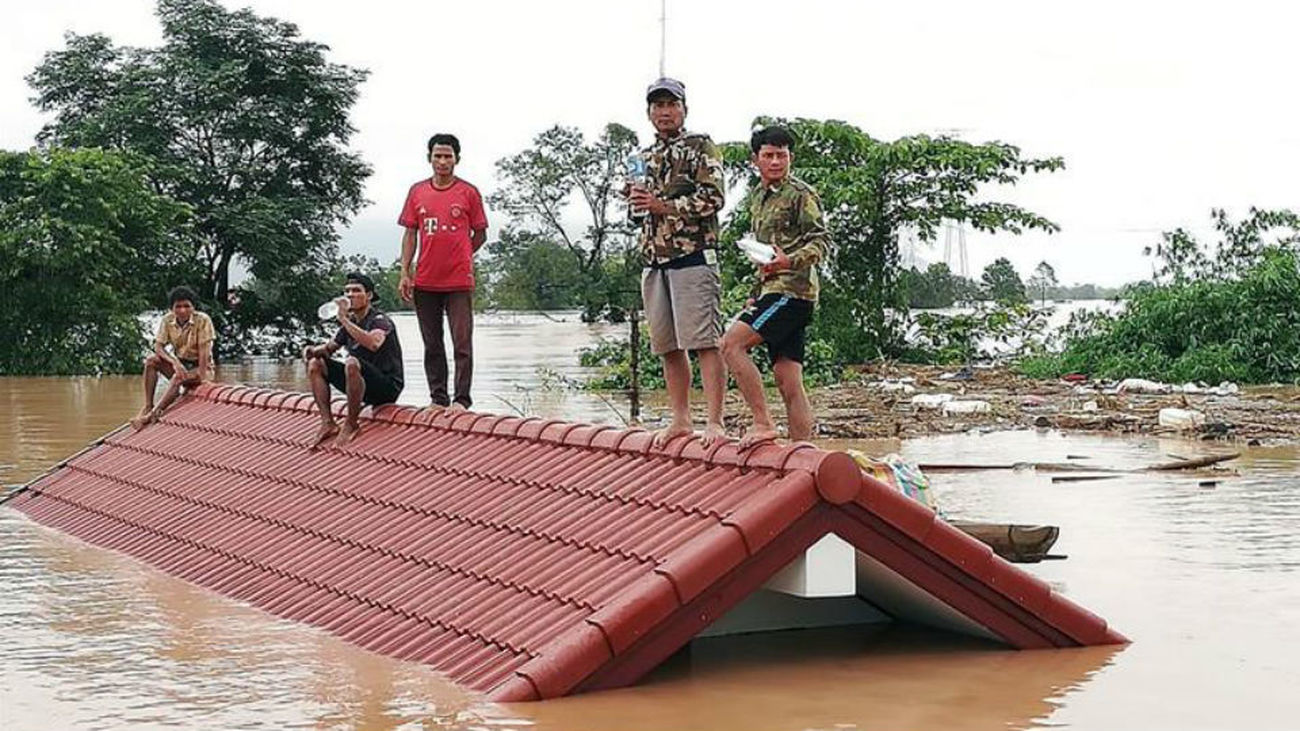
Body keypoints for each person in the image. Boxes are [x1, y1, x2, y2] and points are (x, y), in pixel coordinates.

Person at [629, 77, 727, 446]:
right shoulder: (641, 157)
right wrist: (636, 201)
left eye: (671, 104)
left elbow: (713, 199)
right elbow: (636, 213)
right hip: (654, 259)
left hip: (693, 256)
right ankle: (681, 419)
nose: (664, 111)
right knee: (667, 346)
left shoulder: (701, 147)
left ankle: (715, 421)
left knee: (704, 341)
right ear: (649, 112)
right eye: (658, 105)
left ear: (684, 108)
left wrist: (663, 206)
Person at [721, 126, 830, 447]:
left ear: (790, 158)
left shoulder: (801, 194)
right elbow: (763, 253)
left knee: (731, 345)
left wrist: (789, 261)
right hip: (771, 292)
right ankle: (802, 452)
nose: (775, 161)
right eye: (768, 155)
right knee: (788, 379)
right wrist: (754, 296)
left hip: (792, 292)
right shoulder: (757, 198)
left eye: (781, 155)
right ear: (755, 159)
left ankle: (763, 423)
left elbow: (821, 241)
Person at [397, 133, 488, 411]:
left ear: (456, 159)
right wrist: (405, 271)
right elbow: (410, 234)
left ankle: (461, 400)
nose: (443, 161)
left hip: (458, 281)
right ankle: (438, 398)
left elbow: (481, 233)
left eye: (448, 156)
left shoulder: (468, 192)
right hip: (425, 280)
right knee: (432, 344)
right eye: (438, 156)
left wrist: (462, 255)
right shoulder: (417, 192)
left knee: (462, 343)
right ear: (430, 158)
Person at [303, 272, 405, 447]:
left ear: (369, 296)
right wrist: (311, 351)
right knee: (316, 364)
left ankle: (351, 424)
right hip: (360, 381)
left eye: (356, 291)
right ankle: (328, 423)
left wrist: (343, 320)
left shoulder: (380, 320)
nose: (350, 295)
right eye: (347, 291)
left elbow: (374, 343)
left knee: (351, 362)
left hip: (386, 385)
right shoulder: (350, 323)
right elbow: (329, 348)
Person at [131, 286, 215, 430]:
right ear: (172, 308)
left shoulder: (203, 320)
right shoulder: (167, 320)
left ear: (193, 307)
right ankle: (148, 405)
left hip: (201, 367)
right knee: (151, 361)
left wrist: (201, 377)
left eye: (187, 306)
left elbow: (204, 353)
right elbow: (158, 347)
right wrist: (174, 362)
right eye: (178, 307)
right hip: (181, 364)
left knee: (177, 378)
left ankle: (151, 415)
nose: (182, 310)